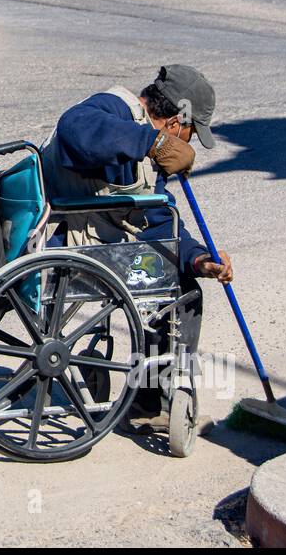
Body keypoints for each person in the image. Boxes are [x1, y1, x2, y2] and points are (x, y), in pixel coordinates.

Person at [39, 65, 232, 420]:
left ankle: (148, 398)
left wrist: (198, 259)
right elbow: (74, 129)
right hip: (68, 250)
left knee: (181, 272)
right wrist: (153, 142)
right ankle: (153, 403)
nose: (187, 145)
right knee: (181, 292)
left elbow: (158, 225)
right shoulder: (113, 109)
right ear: (176, 122)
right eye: (189, 134)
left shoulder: (146, 155)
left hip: (91, 250)